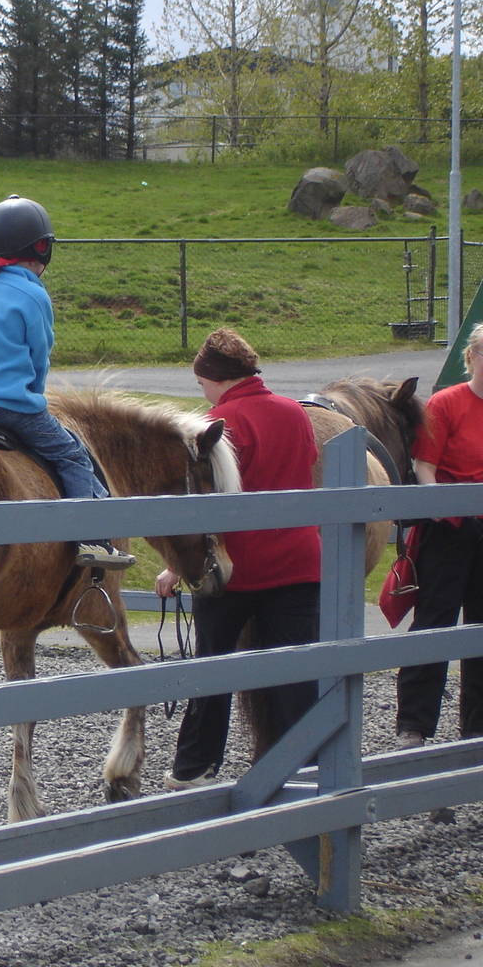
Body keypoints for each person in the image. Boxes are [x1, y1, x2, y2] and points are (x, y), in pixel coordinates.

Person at [156, 327, 321, 788]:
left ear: (214, 377)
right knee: (294, 672)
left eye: (201, 382)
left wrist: (175, 566)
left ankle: (195, 766)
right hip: (299, 560)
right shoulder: (296, 413)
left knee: (212, 669)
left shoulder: (218, 423)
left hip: (237, 568)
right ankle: (302, 765)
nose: (202, 391)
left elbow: (212, 501)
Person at [0, 194, 133, 570]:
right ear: (41, 248)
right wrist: (33, 393)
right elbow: (39, 354)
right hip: (8, 407)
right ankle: (92, 541)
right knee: (71, 454)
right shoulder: (32, 293)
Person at [394, 323, 483, 749]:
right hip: (451, 528)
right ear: (471, 358)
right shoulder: (445, 404)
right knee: (434, 622)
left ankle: (478, 723)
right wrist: (442, 508)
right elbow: (426, 466)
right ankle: (414, 725)